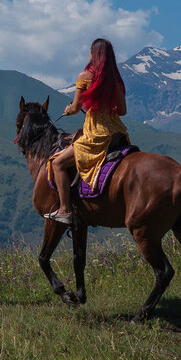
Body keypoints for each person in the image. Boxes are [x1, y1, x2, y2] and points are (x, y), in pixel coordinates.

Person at [47, 38, 129, 224]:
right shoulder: (117, 80)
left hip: (96, 133)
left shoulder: (84, 77)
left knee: (58, 163)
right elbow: (123, 111)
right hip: (117, 132)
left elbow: (76, 108)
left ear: (94, 54)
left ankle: (65, 209)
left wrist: (69, 109)